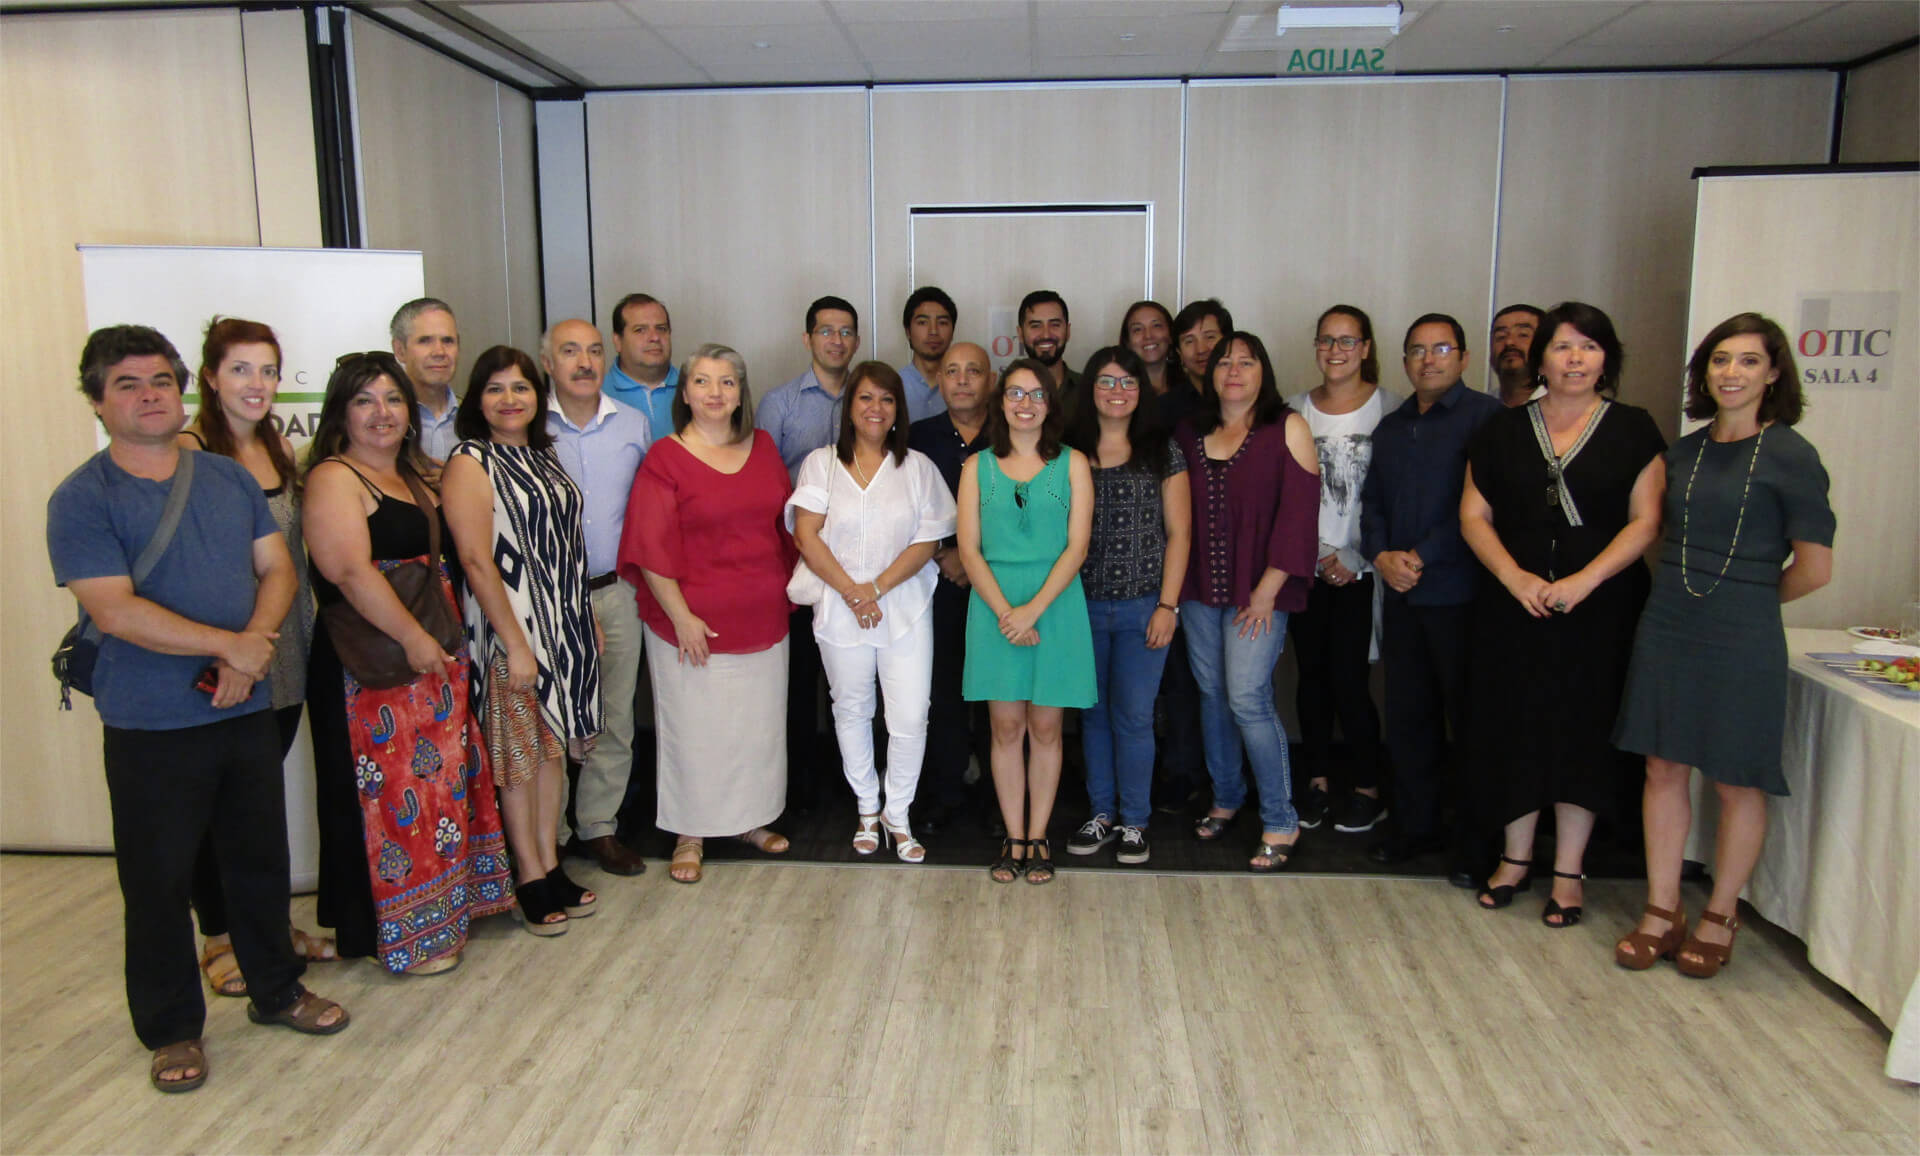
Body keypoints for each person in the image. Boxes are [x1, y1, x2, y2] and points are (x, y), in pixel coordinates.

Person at [49, 325, 349, 1094]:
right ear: (97, 400)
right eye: (126, 384)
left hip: (241, 706)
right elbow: (114, 610)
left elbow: (277, 568)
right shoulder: (82, 498)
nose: (149, 395)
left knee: (258, 861)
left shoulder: (224, 478)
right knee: (157, 883)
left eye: (160, 380)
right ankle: (172, 1028)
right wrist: (232, 646)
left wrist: (251, 649)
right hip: (151, 722)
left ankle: (277, 990)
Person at [1612, 313, 1833, 975]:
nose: (1731, 373)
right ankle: (1662, 908)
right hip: (1668, 624)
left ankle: (1720, 913)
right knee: (1662, 768)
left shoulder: (1792, 455)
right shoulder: (1683, 452)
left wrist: (1748, 600)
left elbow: (1815, 569)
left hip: (1743, 636)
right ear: (1704, 372)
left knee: (1736, 779)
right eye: (1720, 360)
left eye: (1747, 361)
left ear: (1773, 373)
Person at [303, 351, 512, 974]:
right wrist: (413, 637)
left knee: (436, 788)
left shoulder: (414, 473)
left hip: (432, 660)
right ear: (341, 412)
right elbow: (347, 571)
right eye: (364, 401)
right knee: (386, 796)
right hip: (370, 665)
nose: (382, 413)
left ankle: (444, 913)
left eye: (393, 399)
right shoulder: (335, 478)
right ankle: (394, 934)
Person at [1461, 301, 1666, 927]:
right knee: (1515, 724)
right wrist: (1514, 577)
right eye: (1561, 346)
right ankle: (1515, 858)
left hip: (1600, 607)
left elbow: (1646, 521)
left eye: (1589, 346)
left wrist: (1585, 581)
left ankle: (1569, 872)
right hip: (1513, 603)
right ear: (1541, 358)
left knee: (1583, 731)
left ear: (1607, 359)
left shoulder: (1633, 428)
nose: (1575, 359)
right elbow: (1473, 514)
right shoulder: (1502, 429)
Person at [175, 317, 336, 998]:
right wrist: (231, 652)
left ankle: (266, 930)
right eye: (241, 369)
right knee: (214, 810)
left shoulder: (277, 447)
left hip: (287, 651)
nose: (257, 383)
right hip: (224, 657)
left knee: (255, 807)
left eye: (268, 370)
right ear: (211, 377)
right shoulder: (189, 452)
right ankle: (219, 936)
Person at [618, 344, 796, 884]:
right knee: (694, 731)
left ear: (741, 393)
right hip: (691, 623)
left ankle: (749, 820)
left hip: (762, 615)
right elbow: (649, 545)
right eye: (702, 381)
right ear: (686, 393)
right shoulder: (665, 458)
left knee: (757, 730)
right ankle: (690, 832)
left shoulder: (763, 447)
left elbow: (784, 527)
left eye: (726, 382)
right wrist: (681, 617)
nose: (715, 393)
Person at [443, 344, 604, 935]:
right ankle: (529, 876)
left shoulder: (543, 455)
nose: (509, 399)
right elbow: (475, 560)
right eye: (495, 388)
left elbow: (565, 548)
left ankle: (551, 864)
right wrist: (514, 643)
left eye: (521, 388)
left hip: (563, 630)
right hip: (510, 632)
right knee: (519, 757)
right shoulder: (470, 461)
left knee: (552, 750)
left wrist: (584, 620)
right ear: (477, 400)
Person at [788, 361, 957, 861]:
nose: (875, 408)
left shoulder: (917, 467)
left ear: (898, 409)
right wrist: (852, 592)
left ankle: (897, 813)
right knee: (852, 710)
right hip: (840, 607)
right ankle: (867, 806)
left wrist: (876, 589)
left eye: (886, 399)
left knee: (910, 715)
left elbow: (929, 540)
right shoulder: (821, 463)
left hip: (904, 606)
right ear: (849, 408)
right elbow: (807, 534)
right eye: (865, 397)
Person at [1360, 313, 1504, 882]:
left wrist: (1419, 556)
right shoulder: (1392, 428)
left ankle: (1476, 847)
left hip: (1460, 595)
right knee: (1408, 718)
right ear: (1404, 362)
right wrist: (1380, 555)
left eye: (1441, 349)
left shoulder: (1487, 419)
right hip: (1400, 597)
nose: (1428, 360)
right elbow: (1372, 503)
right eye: (1417, 350)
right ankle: (1414, 827)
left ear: (1464, 358)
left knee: (1470, 722)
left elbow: (1486, 506)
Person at [1176, 332, 1320, 871]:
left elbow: (1299, 515)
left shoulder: (1286, 427)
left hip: (1260, 592)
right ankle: (1227, 796)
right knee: (1212, 695)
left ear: (1264, 372)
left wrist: (1266, 592)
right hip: (1198, 589)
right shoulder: (1189, 432)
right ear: (1210, 374)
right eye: (1224, 362)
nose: (1234, 371)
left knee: (1248, 699)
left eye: (1246, 362)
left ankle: (1281, 818)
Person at [958, 358, 1096, 884]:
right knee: (1006, 727)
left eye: (1037, 394)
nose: (1025, 403)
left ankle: (1039, 836)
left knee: (1045, 727)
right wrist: (1006, 614)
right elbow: (969, 551)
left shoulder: (1074, 464)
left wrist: (1031, 612)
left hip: (1054, 606)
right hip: (994, 606)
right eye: (1015, 393)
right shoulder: (976, 467)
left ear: (1050, 404)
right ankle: (1013, 837)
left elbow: (1077, 547)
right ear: (1000, 402)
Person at [1062, 346, 1190, 866]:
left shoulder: (1162, 449)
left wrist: (1168, 606)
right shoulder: (1069, 450)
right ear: (1089, 389)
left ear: (1142, 390)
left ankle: (1135, 821)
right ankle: (1101, 813)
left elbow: (1179, 534)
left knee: (1134, 716)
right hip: (1080, 606)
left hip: (1144, 607)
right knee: (1092, 716)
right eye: (1107, 382)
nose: (1117, 392)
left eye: (1128, 382)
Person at [544, 318, 653, 877]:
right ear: (548, 363)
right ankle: (549, 838)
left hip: (617, 589)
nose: (583, 362)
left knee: (614, 716)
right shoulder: (527, 425)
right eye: (569, 351)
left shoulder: (633, 423)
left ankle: (599, 827)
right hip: (546, 599)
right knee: (550, 720)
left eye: (591, 351)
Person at [1285, 306, 1389, 836]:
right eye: (1327, 340)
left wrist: (1355, 556)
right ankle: (1318, 780)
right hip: (1308, 567)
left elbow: (1396, 497)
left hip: (1362, 571)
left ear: (1365, 348)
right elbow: (1283, 493)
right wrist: (1315, 552)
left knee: (1351, 681)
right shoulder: (1294, 409)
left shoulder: (1390, 409)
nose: (1336, 350)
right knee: (1312, 678)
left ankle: (1369, 787)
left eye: (1347, 341)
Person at [759, 295, 862, 815]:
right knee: (800, 678)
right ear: (808, 338)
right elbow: (765, 483)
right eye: (826, 331)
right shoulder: (779, 403)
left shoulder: (869, 398)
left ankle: (855, 785)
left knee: (853, 680)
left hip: (860, 563)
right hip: (799, 560)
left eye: (845, 332)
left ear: (857, 341)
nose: (836, 341)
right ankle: (798, 791)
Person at [907, 341, 995, 833]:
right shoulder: (917, 438)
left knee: (998, 696)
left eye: (973, 371)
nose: (962, 380)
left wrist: (972, 556)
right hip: (935, 583)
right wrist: (946, 554)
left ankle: (998, 799)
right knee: (942, 691)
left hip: (1000, 586)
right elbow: (904, 508)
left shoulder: (1013, 432)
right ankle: (945, 794)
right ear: (939, 381)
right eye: (953, 371)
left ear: (991, 381)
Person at [390, 298, 462, 460]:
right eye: (425, 341)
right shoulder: (382, 420)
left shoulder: (477, 417)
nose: (439, 352)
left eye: (448, 341)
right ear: (400, 350)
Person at [602, 292, 677, 438]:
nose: (655, 337)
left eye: (661, 328)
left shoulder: (695, 390)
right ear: (617, 341)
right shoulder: (597, 395)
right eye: (640, 330)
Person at [1120, 300, 1199, 431]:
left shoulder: (1193, 390)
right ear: (1127, 342)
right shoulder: (1119, 392)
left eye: (1156, 326)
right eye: (1137, 329)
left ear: (1171, 335)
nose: (1148, 336)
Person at [898, 286, 956, 422]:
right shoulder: (893, 386)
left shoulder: (964, 387)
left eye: (942, 323)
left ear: (953, 331)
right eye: (923, 322)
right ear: (908, 331)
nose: (933, 331)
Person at [1017, 290, 1078, 404]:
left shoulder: (1089, 390)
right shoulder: (1005, 392)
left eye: (1055, 325)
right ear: (1020, 334)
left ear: (1068, 331)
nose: (1046, 335)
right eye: (1035, 326)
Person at [1489, 304, 1545, 407]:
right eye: (1501, 336)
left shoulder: (1563, 406)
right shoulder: (1480, 408)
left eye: (1523, 335)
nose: (1509, 342)